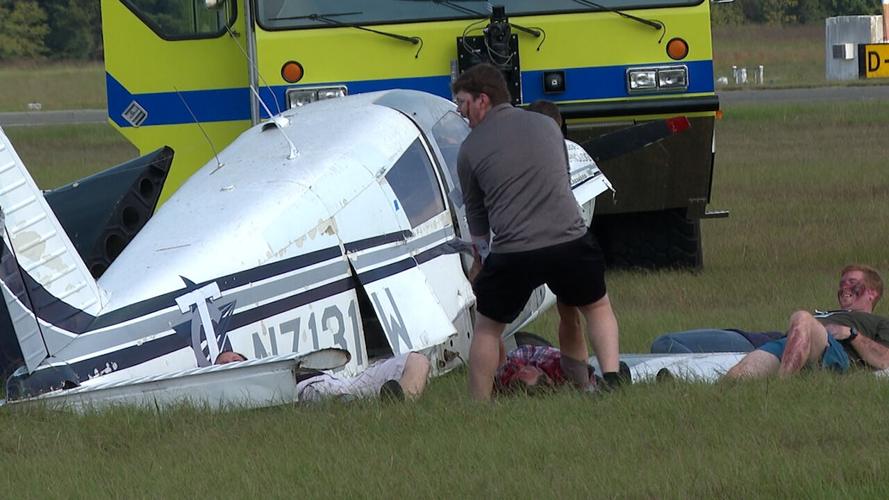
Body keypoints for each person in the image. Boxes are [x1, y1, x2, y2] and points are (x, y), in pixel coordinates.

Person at [452, 63, 621, 401]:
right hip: (570, 241)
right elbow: (561, 175)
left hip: (513, 252)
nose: (460, 111)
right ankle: (611, 380)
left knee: (487, 328)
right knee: (596, 307)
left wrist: (480, 262)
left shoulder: (469, 150)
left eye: (462, 102)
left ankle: (478, 407)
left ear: (482, 100)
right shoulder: (547, 125)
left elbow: (477, 217)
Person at [724, 264, 889, 379]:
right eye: (842, 283)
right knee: (738, 375)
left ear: (872, 293)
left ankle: (783, 387)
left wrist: (852, 335)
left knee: (802, 316)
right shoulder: (827, 313)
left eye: (852, 282)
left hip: (832, 350)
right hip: (789, 343)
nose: (844, 287)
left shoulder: (879, 322)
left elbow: (885, 359)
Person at [214, 350, 431, 401]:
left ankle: (402, 401)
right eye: (224, 364)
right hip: (309, 391)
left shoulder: (276, 366)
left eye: (235, 359)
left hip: (342, 382)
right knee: (340, 400)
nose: (232, 363)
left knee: (417, 360)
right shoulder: (254, 392)